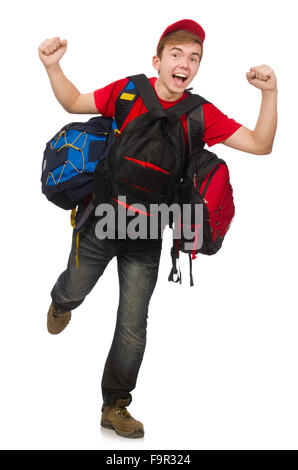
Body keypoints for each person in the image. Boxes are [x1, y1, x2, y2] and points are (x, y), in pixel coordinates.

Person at [38, 19, 277, 439]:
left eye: (194, 58)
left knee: (133, 324)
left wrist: (270, 93)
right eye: (177, 54)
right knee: (75, 287)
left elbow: (261, 143)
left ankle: (114, 405)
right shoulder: (129, 92)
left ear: (197, 68)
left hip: (146, 236)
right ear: (158, 60)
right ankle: (61, 303)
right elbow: (74, 101)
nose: (185, 63)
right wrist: (53, 66)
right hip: (101, 221)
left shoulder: (200, 114)